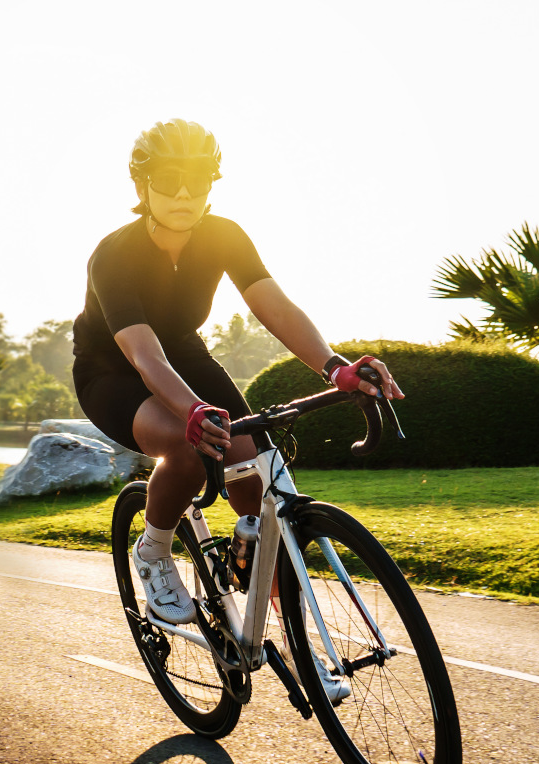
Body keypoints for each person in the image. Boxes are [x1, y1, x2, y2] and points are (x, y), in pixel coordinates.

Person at [72, 118, 405, 632]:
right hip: (112, 370)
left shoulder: (223, 235)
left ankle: (271, 606)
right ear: (141, 185)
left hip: (183, 352)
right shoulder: (114, 255)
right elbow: (144, 357)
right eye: (167, 178)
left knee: (250, 467)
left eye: (198, 178)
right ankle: (154, 550)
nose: (184, 192)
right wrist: (193, 412)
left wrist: (335, 366)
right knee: (189, 447)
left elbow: (276, 308)